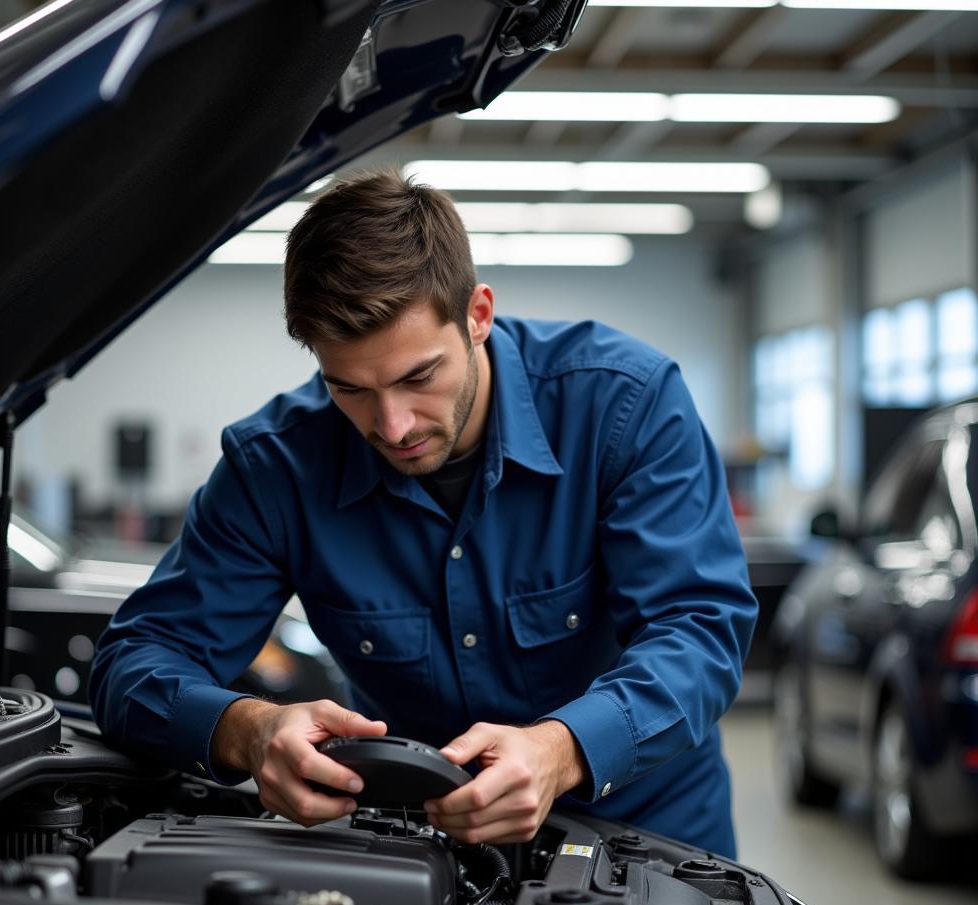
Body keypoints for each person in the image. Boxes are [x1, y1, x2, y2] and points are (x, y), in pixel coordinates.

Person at [90, 170, 757, 856]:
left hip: (648, 835)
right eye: (349, 388)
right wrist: (249, 730)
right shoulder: (276, 468)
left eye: (418, 377)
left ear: (478, 314)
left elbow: (700, 631)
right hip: (420, 845)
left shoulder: (625, 407)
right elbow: (133, 665)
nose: (392, 424)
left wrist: (562, 751)